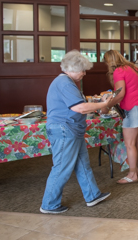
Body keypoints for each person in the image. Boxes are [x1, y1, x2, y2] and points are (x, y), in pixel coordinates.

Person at [41, 50, 114, 214]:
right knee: (61, 167)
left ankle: (92, 195)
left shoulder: (67, 82)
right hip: (65, 129)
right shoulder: (65, 83)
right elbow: (79, 108)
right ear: (73, 68)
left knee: (83, 165)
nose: (84, 73)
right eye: (83, 70)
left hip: (71, 129)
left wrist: (97, 104)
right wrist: (102, 105)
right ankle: (49, 204)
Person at [102, 50, 138, 184]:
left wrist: (106, 106)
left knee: (130, 144)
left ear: (110, 61)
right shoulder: (132, 68)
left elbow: (120, 94)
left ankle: (132, 174)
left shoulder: (118, 71)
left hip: (135, 108)